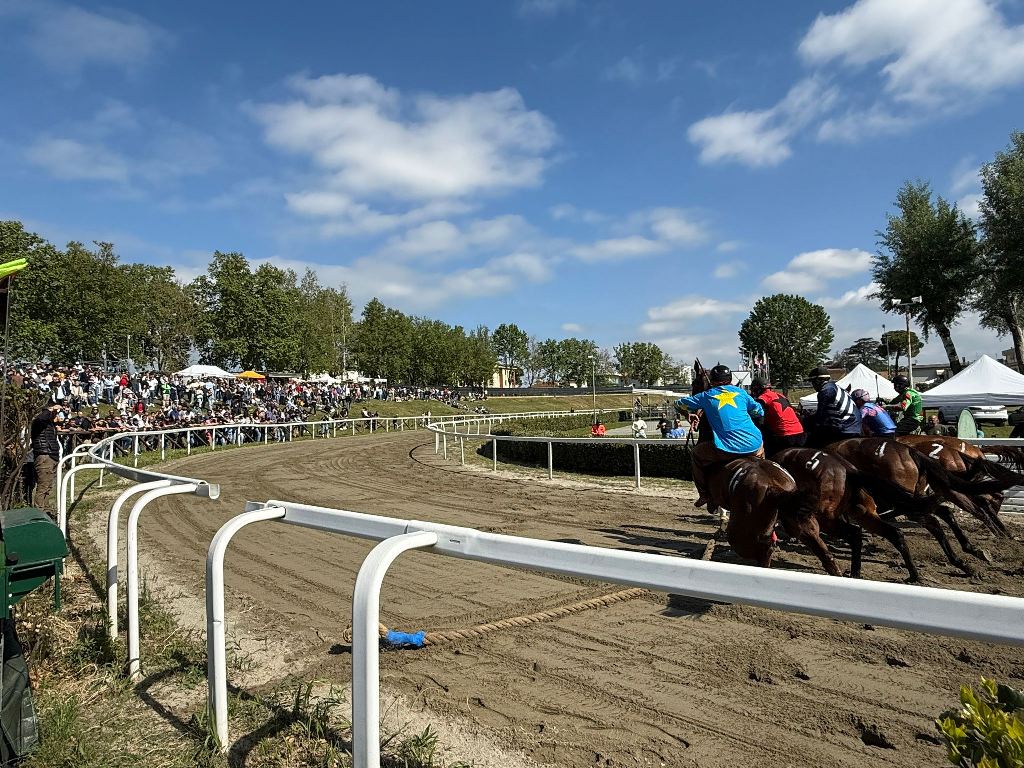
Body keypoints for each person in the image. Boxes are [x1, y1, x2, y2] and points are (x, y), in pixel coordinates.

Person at [675, 364, 764, 512]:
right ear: (730, 379)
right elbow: (758, 411)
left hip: (727, 448)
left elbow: (678, 404)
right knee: (760, 446)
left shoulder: (706, 396)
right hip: (755, 444)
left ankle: (704, 494)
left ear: (712, 381)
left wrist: (687, 415)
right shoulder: (741, 393)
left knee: (696, 453)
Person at [807, 367, 862, 446]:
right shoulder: (836, 387)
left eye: (813, 382)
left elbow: (820, 416)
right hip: (856, 426)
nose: (813, 386)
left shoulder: (825, 391)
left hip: (845, 428)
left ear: (818, 381)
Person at [749, 378, 805, 456]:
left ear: (757, 390)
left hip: (783, 436)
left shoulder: (762, 398)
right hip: (800, 433)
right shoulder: (781, 395)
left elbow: (759, 421)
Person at [30, 401, 62, 514]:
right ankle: (39, 512)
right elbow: (41, 418)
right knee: (43, 486)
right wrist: (50, 409)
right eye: (54, 412)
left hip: (51, 455)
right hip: (44, 455)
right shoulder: (39, 422)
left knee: (48, 486)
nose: (55, 414)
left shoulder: (49, 424)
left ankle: (46, 510)